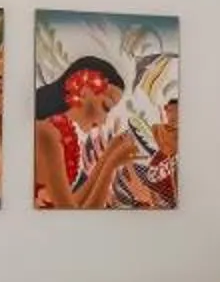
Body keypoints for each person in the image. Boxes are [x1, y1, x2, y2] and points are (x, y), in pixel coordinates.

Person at [32, 56, 154, 210]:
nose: (103, 121)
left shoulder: (60, 133)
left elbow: (75, 203)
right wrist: (110, 165)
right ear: (83, 90)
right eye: (106, 107)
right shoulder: (46, 134)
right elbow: (72, 215)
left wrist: (107, 157)